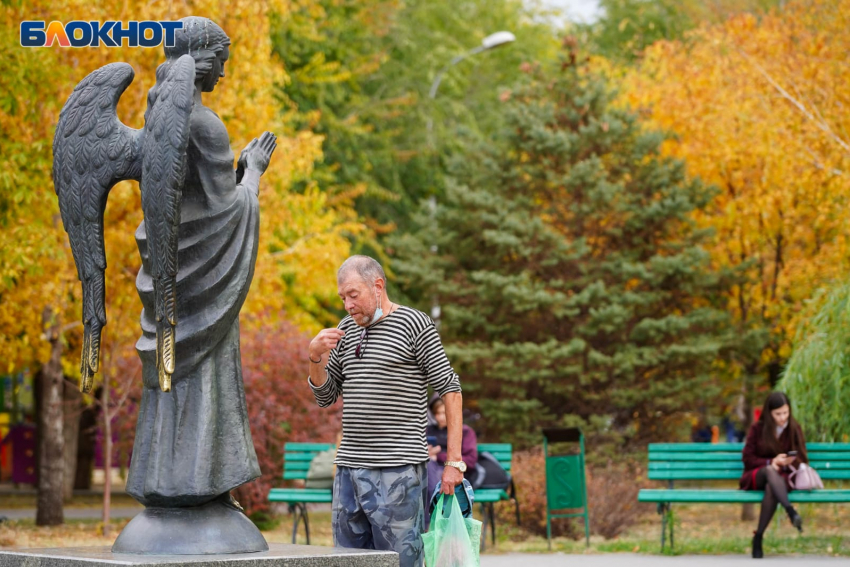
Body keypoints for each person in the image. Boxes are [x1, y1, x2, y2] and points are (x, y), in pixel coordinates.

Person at [126, 16, 276, 508]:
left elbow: (186, 203)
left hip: (174, 279)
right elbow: (225, 212)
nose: (225, 74)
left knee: (173, 382)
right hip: (204, 290)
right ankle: (203, 486)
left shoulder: (159, 120)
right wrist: (252, 174)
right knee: (208, 378)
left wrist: (232, 179)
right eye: (223, 63)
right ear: (205, 59)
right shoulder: (205, 124)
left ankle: (164, 483)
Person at [308, 255, 465, 567]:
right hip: (350, 470)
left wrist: (454, 463)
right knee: (349, 562)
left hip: (398, 470)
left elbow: (450, 387)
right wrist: (315, 358)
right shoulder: (346, 330)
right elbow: (325, 397)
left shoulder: (414, 324)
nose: (347, 305)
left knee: (400, 562)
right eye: (342, 297)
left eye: (354, 295)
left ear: (377, 286)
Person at [740, 391, 807, 559]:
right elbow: (748, 458)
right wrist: (772, 462)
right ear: (769, 413)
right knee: (770, 471)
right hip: (757, 474)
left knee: (772, 488)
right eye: (778, 414)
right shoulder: (758, 429)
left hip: (782, 479)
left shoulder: (793, 428)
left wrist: (788, 461)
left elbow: (803, 458)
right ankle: (790, 511)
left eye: (786, 412)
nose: (783, 417)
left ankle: (758, 537)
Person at [425, 393, 478, 529]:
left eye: (444, 413)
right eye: (437, 413)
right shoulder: (428, 430)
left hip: (457, 477)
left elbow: (470, 461)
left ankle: (431, 523)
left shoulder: (465, 432)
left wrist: (440, 457)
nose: (441, 417)